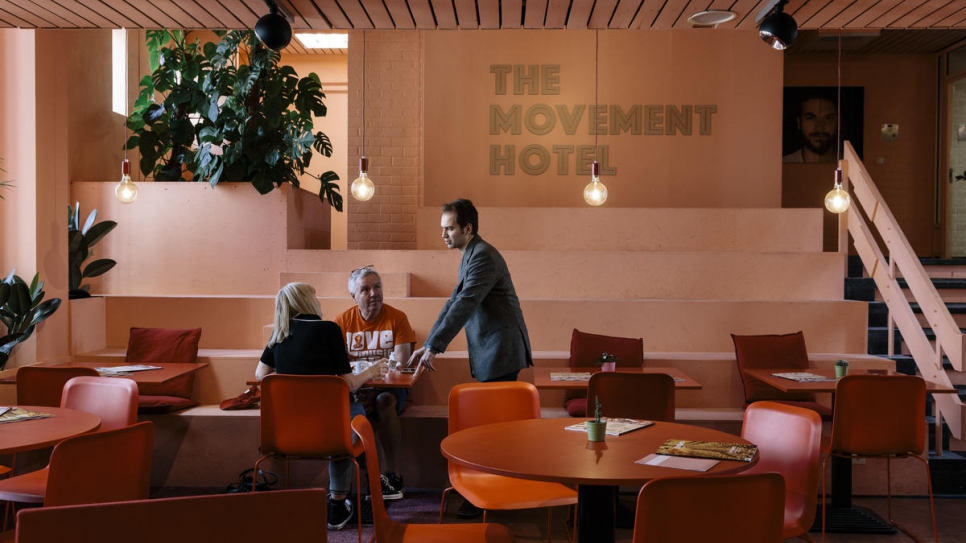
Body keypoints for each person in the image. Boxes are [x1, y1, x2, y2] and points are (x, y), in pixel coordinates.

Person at [407, 198, 533, 519]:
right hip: (491, 350)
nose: (444, 235)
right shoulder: (470, 255)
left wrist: (435, 346)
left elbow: (465, 303)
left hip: (500, 352)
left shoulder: (484, 257)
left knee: (493, 429)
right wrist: (430, 343)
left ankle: (489, 496)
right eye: (442, 229)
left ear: (468, 228)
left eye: (450, 228)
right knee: (492, 427)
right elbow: (453, 302)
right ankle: (489, 493)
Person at [255, 282, 388, 531]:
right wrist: (371, 370)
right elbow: (348, 384)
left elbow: (261, 374)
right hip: (331, 433)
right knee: (353, 423)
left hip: (286, 434)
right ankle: (339, 503)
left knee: (340, 422)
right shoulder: (329, 330)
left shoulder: (279, 333)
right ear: (308, 301)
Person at [333, 265, 416, 502]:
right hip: (356, 389)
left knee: (384, 401)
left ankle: (394, 475)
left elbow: (399, 364)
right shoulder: (341, 322)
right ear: (354, 295)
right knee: (347, 406)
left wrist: (368, 385)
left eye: (377, 287)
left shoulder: (397, 318)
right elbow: (337, 366)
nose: (373, 293)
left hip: (389, 390)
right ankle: (348, 489)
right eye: (366, 289)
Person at [783, 92, 838, 163]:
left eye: (828, 118)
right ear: (799, 123)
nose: (819, 128)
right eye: (810, 118)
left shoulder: (853, 167)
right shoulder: (781, 166)